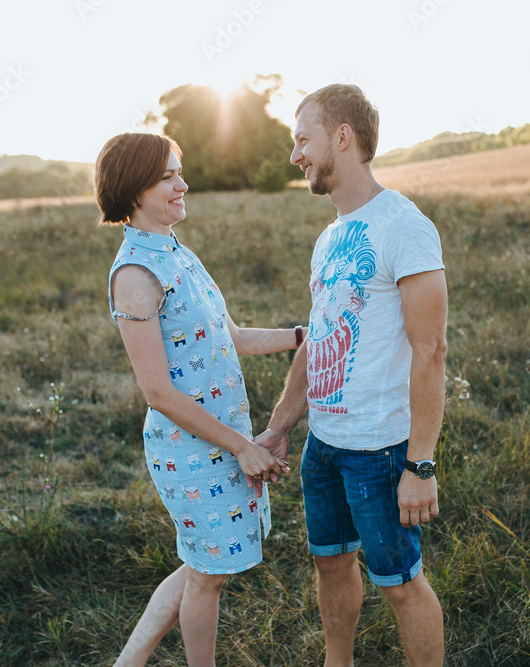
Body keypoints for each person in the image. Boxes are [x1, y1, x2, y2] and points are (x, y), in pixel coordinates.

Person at [255, 84, 449, 666]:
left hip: (381, 450)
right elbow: (315, 341)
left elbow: (432, 348)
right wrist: (280, 428)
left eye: (302, 139)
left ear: (343, 137)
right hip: (326, 447)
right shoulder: (329, 239)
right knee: (330, 563)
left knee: (400, 584)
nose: (296, 155)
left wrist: (420, 463)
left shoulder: (403, 225)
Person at [94, 132, 301, 666]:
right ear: (133, 189)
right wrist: (241, 447)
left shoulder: (178, 253)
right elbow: (157, 391)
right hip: (191, 451)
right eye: (167, 176)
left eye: (178, 172)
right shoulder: (137, 273)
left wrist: (304, 335)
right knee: (208, 577)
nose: (182, 184)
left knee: (200, 565)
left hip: (221, 441)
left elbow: (233, 337)